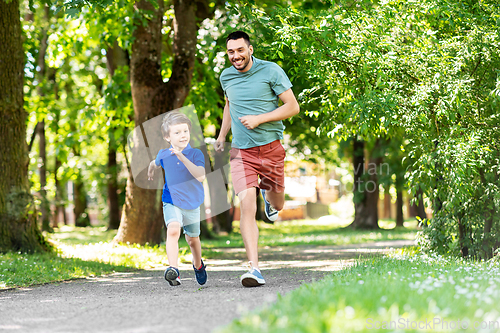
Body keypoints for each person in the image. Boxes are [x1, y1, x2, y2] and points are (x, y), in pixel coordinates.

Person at [214, 31, 300, 287]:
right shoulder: (226, 76)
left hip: (271, 148)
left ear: (250, 49)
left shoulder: (271, 71)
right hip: (242, 152)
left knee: (278, 203)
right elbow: (229, 105)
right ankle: (254, 268)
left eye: (240, 50)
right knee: (246, 205)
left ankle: (270, 200)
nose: (236, 56)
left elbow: (292, 107)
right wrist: (222, 136)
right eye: (231, 52)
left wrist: (260, 119)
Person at [148, 111, 208, 286]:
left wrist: (182, 157)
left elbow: (200, 176)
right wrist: (151, 170)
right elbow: (155, 162)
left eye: (185, 131)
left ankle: (198, 265)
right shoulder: (164, 154)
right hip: (171, 200)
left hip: (192, 203)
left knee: (192, 239)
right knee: (173, 229)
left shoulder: (196, 154)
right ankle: (173, 269)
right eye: (177, 132)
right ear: (167, 137)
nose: (183, 135)